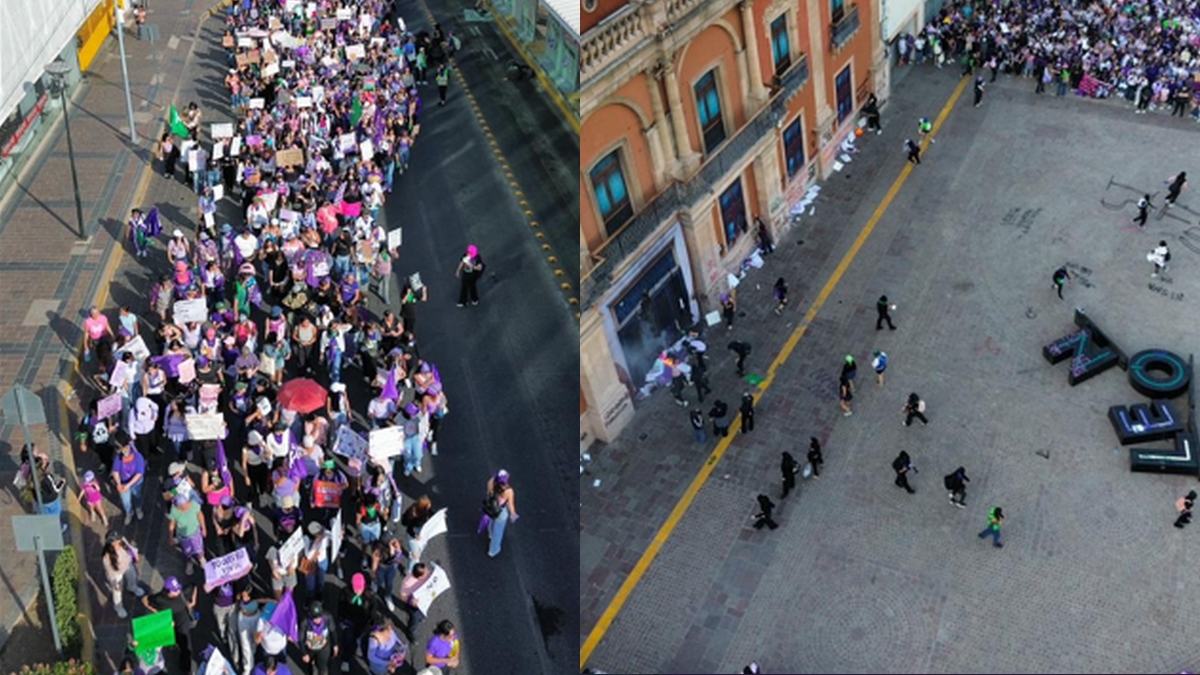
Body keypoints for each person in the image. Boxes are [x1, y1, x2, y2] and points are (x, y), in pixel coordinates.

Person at [142, 576, 197, 672]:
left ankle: (186, 670)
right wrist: (157, 612)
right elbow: (145, 600)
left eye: (178, 588)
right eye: (175, 590)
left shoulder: (182, 592)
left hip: (182, 625)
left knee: (186, 649)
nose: (178, 591)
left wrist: (192, 602)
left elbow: (194, 586)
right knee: (175, 640)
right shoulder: (160, 599)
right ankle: (173, 645)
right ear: (167, 591)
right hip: (169, 624)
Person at [101, 530, 144, 619]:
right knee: (117, 591)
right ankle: (118, 607)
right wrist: (115, 583)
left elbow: (129, 547)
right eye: (117, 540)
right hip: (116, 573)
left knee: (132, 577)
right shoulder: (107, 556)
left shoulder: (122, 540)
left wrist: (135, 555)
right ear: (112, 543)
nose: (120, 541)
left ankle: (132, 587)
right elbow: (110, 571)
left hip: (128, 564)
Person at [168, 492, 208, 575]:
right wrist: (171, 538)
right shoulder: (175, 510)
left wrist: (203, 528)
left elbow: (200, 516)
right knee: (187, 551)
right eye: (184, 505)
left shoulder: (194, 505)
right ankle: (189, 562)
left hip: (195, 533)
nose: (187, 505)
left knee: (199, 548)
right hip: (183, 536)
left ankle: (201, 559)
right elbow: (172, 525)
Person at [484, 469, 518, 557]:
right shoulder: (509, 491)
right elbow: (510, 505)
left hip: (491, 506)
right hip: (501, 511)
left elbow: (489, 492)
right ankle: (493, 550)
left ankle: (490, 533)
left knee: (491, 521)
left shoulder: (491, 482)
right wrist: (513, 514)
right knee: (498, 531)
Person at [301, 600, 339, 675]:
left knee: (323, 668)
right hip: (310, 648)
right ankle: (312, 666)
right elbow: (301, 638)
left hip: (323, 647)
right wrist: (304, 653)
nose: (318, 620)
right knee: (309, 667)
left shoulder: (328, 617)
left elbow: (333, 631)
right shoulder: (305, 623)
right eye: (315, 618)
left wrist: (335, 644)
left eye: (319, 617)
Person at [112, 442, 146, 525]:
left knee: (137, 496)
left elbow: (139, 473)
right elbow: (115, 471)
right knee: (125, 501)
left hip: (136, 483)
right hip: (123, 483)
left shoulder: (138, 457)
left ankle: (138, 508)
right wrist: (118, 484)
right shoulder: (119, 457)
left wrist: (128, 485)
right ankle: (129, 513)